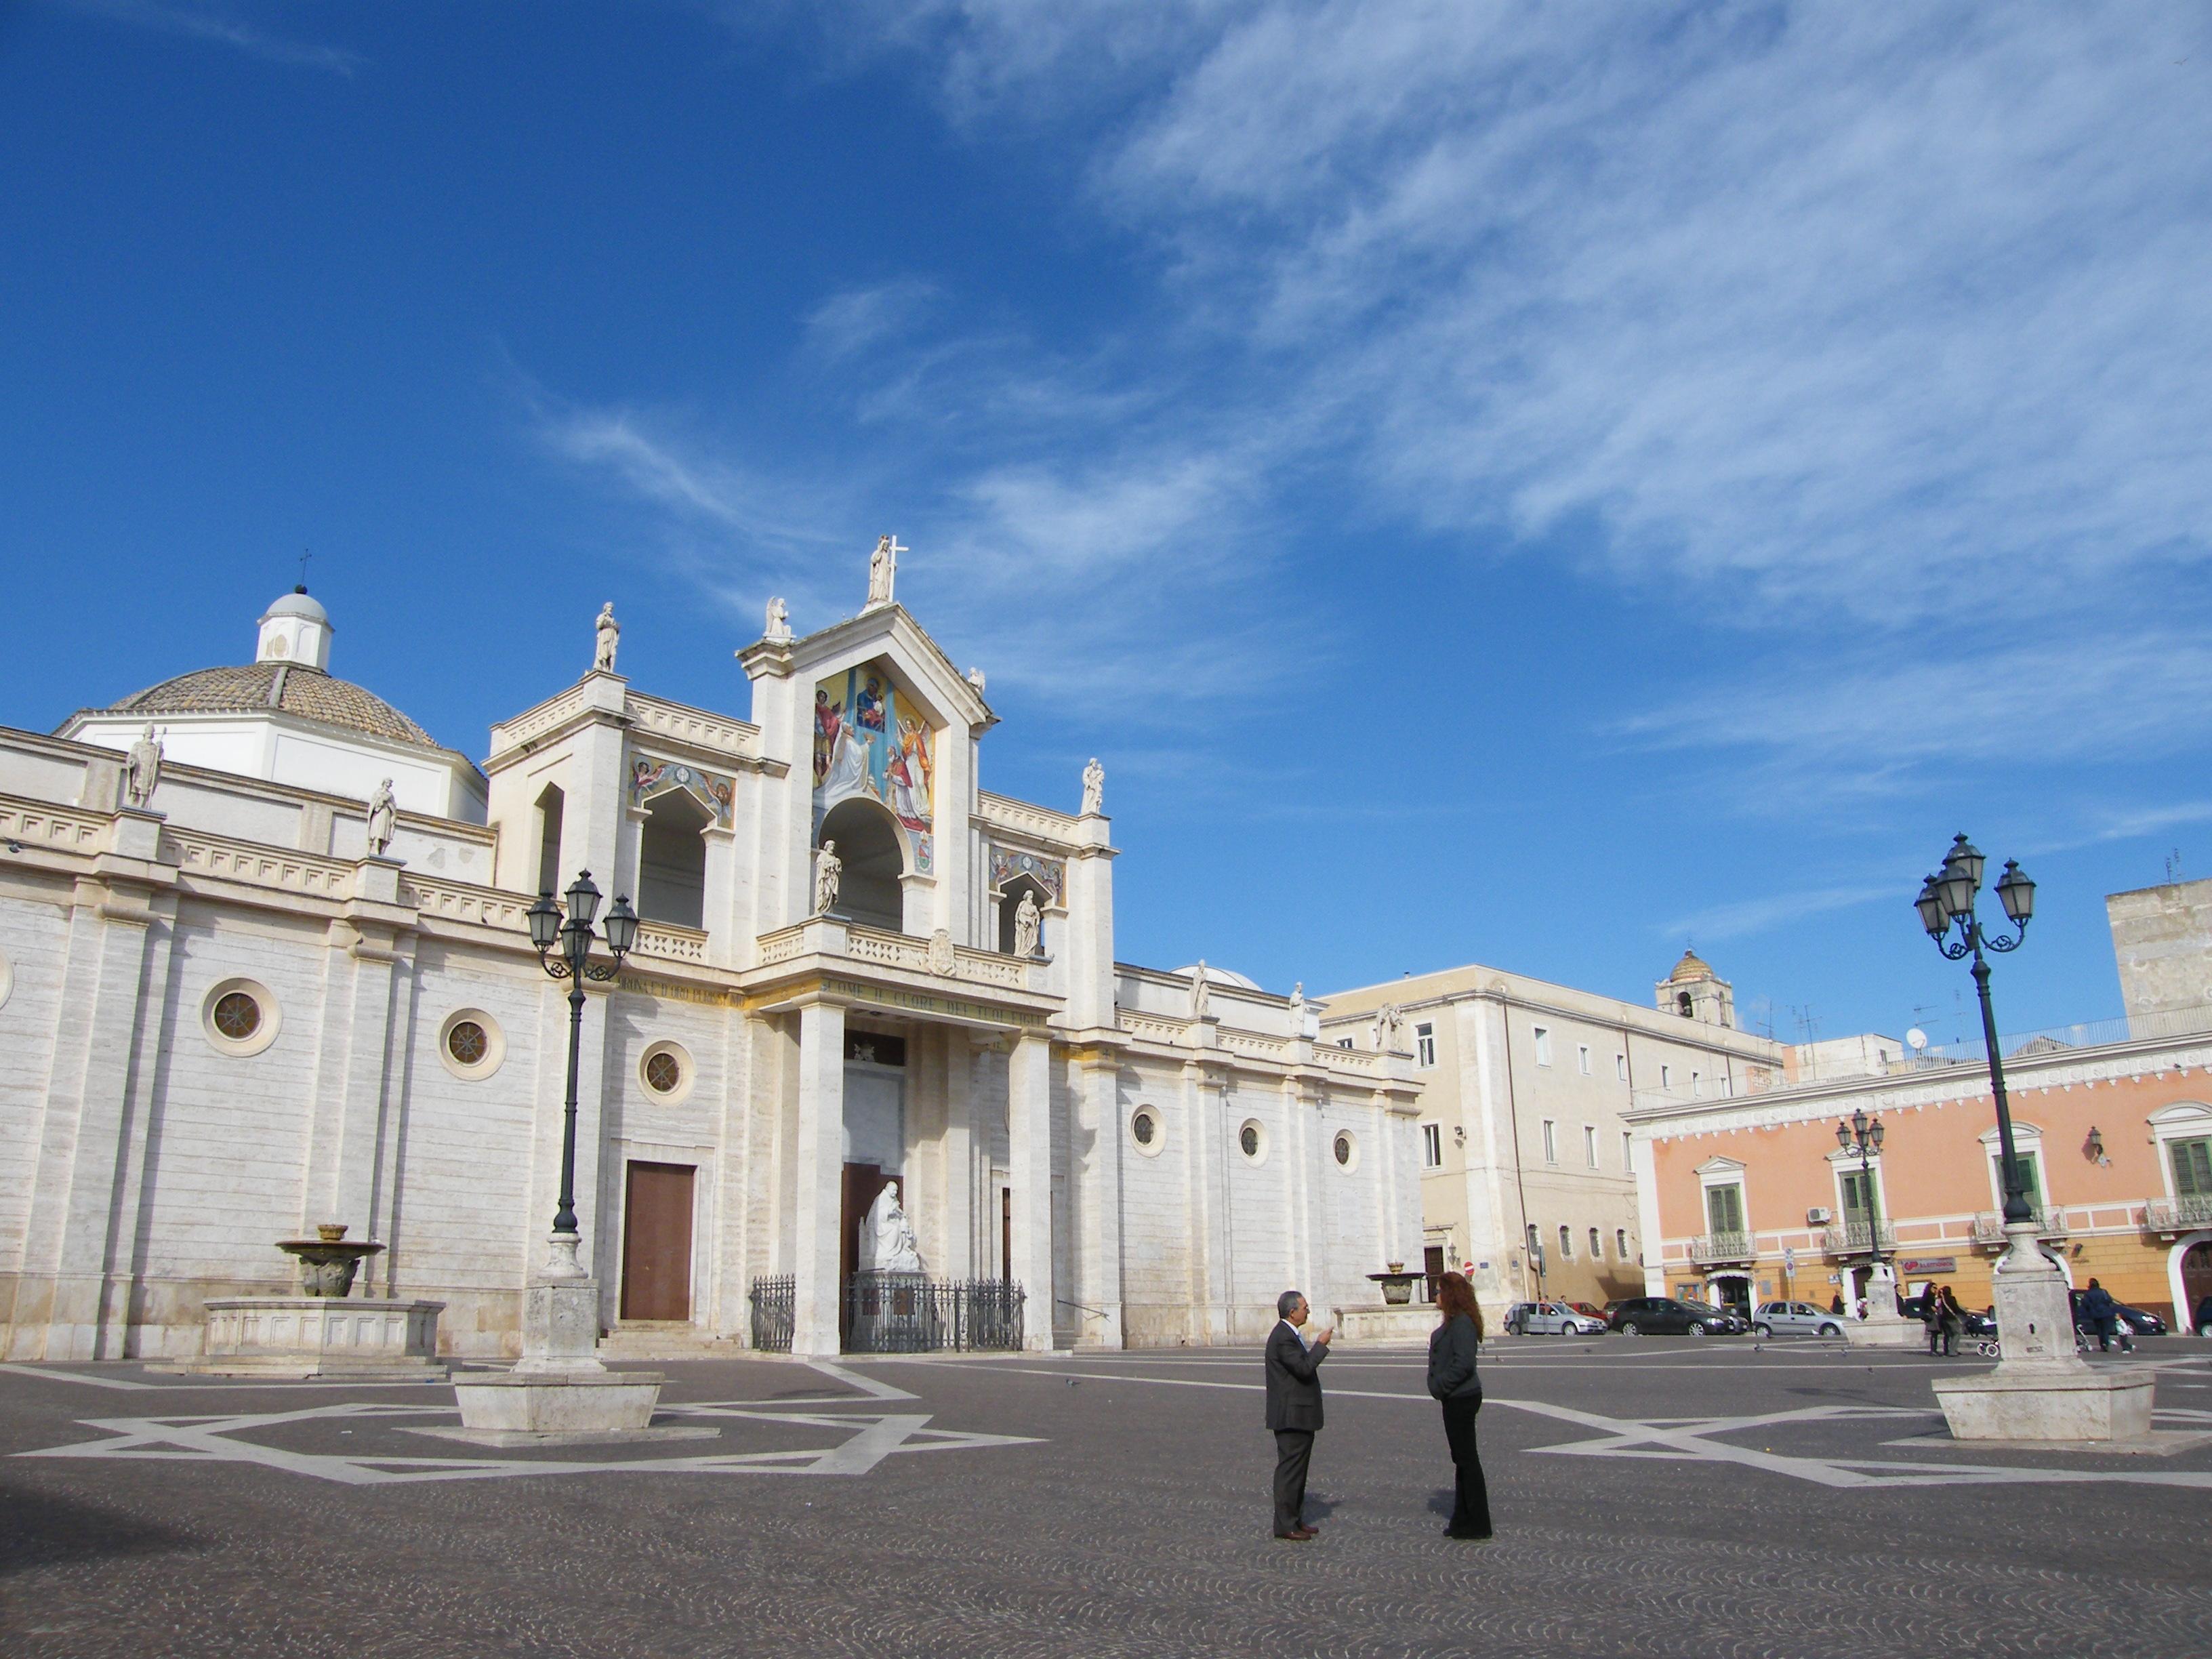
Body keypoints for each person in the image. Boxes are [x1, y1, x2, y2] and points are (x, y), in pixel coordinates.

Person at [1426, 1271, 1492, 1541]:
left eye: (1439, 1291)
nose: (1436, 1296)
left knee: (1467, 1460)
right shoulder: (1454, 1322)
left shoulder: (1463, 1324)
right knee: (1462, 1459)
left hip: (1462, 1396)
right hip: (1454, 1397)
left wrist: (1441, 1385)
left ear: (1450, 1294)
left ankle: (1477, 1522)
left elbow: (1464, 1364)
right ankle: (1463, 1518)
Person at [1265, 1290, 1331, 1542]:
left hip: (1300, 1415)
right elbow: (1303, 1369)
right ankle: (1285, 1525)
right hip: (1290, 1416)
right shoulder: (1282, 1337)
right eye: (1304, 1307)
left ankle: (1295, 1519)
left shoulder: (1290, 1335)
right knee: (1290, 1472)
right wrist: (1321, 1346)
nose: (1308, 1311)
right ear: (1292, 1312)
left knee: (1299, 1471)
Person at [2078, 1278, 2131, 1353]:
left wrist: (2090, 1309)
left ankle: (2103, 1345)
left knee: (2099, 1330)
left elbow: (2085, 1303)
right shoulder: (2103, 1292)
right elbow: (2109, 1300)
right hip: (2106, 1313)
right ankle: (2106, 1343)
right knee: (2105, 1330)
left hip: (2095, 1314)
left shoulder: (2088, 1293)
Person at [1937, 1285, 1965, 1357]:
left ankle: (1946, 1351)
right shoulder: (1951, 1299)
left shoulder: (1942, 1300)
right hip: (1951, 1319)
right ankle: (1953, 1351)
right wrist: (1964, 1313)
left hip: (1943, 1320)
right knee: (1956, 1334)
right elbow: (1956, 1308)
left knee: (1947, 1335)